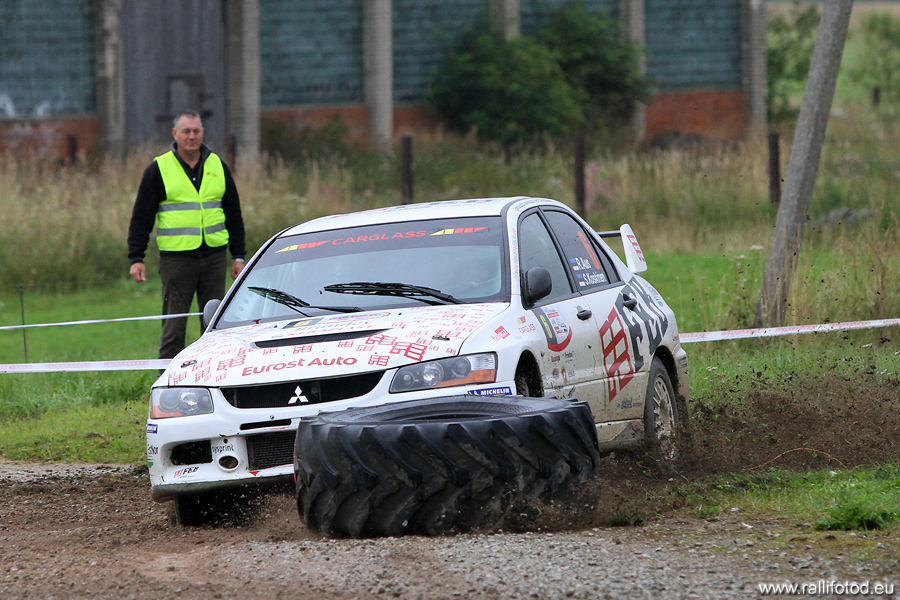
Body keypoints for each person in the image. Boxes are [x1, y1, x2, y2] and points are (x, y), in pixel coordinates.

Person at [127, 110, 246, 360]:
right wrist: (136, 257)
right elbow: (141, 217)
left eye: (196, 131)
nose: (191, 136)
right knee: (174, 328)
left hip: (214, 259)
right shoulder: (158, 169)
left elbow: (233, 214)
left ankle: (212, 376)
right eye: (186, 131)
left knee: (214, 325)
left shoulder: (218, 165)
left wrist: (238, 255)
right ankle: (168, 379)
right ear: (175, 134)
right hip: (176, 262)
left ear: (203, 133)